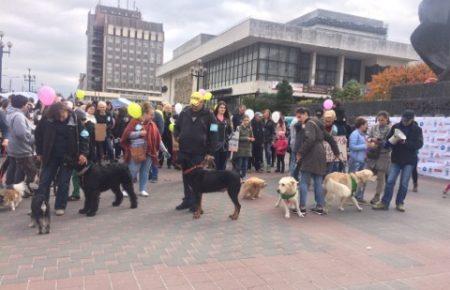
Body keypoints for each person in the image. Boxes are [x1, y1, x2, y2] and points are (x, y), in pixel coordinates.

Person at [35, 102, 89, 216]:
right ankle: (40, 204)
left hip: (68, 156)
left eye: (62, 115)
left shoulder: (75, 119)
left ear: (67, 111)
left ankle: (60, 205)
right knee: (44, 181)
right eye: (57, 117)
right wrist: (39, 152)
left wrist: (83, 153)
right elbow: (38, 135)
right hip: (50, 155)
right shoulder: (47, 118)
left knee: (63, 182)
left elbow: (84, 136)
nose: (60, 119)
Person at [174, 92, 218, 211]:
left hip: (199, 152)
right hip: (184, 151)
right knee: (186, 177)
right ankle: (187, 200)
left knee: (197, 179)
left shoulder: (209, 115)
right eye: (192, 104)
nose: (193, 106)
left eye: (196, 104)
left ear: (202, 102)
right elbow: (176, 127)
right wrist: (177, 136)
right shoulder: (184, 112)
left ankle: (196, 203)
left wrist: (210, 153)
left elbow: (214, 134)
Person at [373, 110, 423, 212]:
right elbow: (388, 141)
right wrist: (388, 142)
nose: (404, 121)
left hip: (409, 160)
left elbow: (419, 145)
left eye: (407, 120)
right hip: (396, 158)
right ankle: (384, 202)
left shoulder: (417, 129)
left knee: (404, 183)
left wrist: (405, 142)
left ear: (412, 119)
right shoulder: (396, 126)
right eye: (403, 119)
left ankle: (400, 203)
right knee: (390, 181)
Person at [295, 107, 339, 215]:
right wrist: (336, 152)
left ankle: (302, 207)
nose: (299, 119)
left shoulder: (309, 123)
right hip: (321, 154)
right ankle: (319, 207)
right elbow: (330, 138)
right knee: (318, 182)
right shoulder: (318, 123)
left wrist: (300, 152)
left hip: (311, 154)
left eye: (300, 116)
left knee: (304, 181)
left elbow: (310, 139)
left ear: (305, 114)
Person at [121, 103, 161, 197]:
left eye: (153, 115)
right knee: (132, 170)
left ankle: (142, 189)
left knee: (145, 171)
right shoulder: (135, 121)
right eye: (151, 114)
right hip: (137, 150)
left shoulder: (152, 124)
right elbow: (127, 135)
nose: (152, 116)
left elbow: (158, 137)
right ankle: (126, 189)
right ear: (145, 113)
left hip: (149, 151)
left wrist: (165, 150)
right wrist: (139, 133)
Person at [5, 95, 37, 196]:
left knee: (15, 168)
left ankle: (11, 190)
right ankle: (18, 191)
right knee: (30, 170)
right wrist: (33, 138)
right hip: (21, 148)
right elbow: (22, 133)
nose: (28, 106)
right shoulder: (18, 116)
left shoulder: (10, 113)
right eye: (27, 104)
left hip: (13, 146)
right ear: (23, 105)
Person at [365, 111, 392, 205]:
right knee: (365, 173)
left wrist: (379, 141)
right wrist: (370, 140)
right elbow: (368, 137)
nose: (380, 121)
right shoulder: (374, 127)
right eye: (379, 120)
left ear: (387, 119)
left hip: (383, 155)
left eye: (383, 120)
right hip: (372, 154)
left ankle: (377, 197)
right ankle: (358, 194)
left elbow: (389, 142)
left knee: (381, 177)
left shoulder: (389, 129)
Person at [348, 117, 369, 203]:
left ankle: (359, 196)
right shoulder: (354, 134)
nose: (367, 126)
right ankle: (350, 197)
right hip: (355, 160)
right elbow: (352, 147)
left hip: (362, 160)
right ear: (361, 125)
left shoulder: (363, 134)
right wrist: (365, 146)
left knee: (363, 179)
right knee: (353, 180)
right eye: (366, 124)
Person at [213, 101, 232, 170]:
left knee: (223, 166)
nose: (223, 109)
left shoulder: (227, 120)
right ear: (218, 108)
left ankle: (222, 180)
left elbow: (230, 132)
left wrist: (227, 139)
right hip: (216, 146)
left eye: (224, 108)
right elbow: (212, 132)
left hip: (225, 146)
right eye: (221, 107)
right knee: (216, 166)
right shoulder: (214, 119)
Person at [234, 115, 254, 179]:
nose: (246, 121)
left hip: (247, 149)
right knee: (239, 165)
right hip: (240, 148)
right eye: (245, 120)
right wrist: (247, 138)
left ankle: (244, 176)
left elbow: (252, 136)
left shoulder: (250, 128)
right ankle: (237, 177)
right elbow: (237, 138)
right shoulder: (238, 128)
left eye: (247, 120)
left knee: (245, 165)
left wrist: (252, 139)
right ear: (242, 120)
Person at [323, 110, 342, 174]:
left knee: (331, 169)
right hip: (323, 152)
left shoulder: (335, 128)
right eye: (326, 120)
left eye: (329, 120)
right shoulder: (321, 127)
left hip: (331, 152)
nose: (328, 122)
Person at [149, 108, 164, 183]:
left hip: (155, 141)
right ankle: (150, 175)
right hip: (147, 141)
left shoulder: (158, 115)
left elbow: (161, 128)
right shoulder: (145, 115)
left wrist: (157, 138)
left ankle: (154, 176)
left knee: (154, 158)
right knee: (147, 159)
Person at [160, 104, 174, 169]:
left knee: (170, 149)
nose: (168, 109)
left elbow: (173, 124)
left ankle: (169, 163)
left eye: (169, 108)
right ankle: (160, 162)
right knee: (163, 149)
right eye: (167, 108)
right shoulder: (162, 115)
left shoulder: (171, 116)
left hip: (169, 135)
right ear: (164, 108)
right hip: (163, 134)